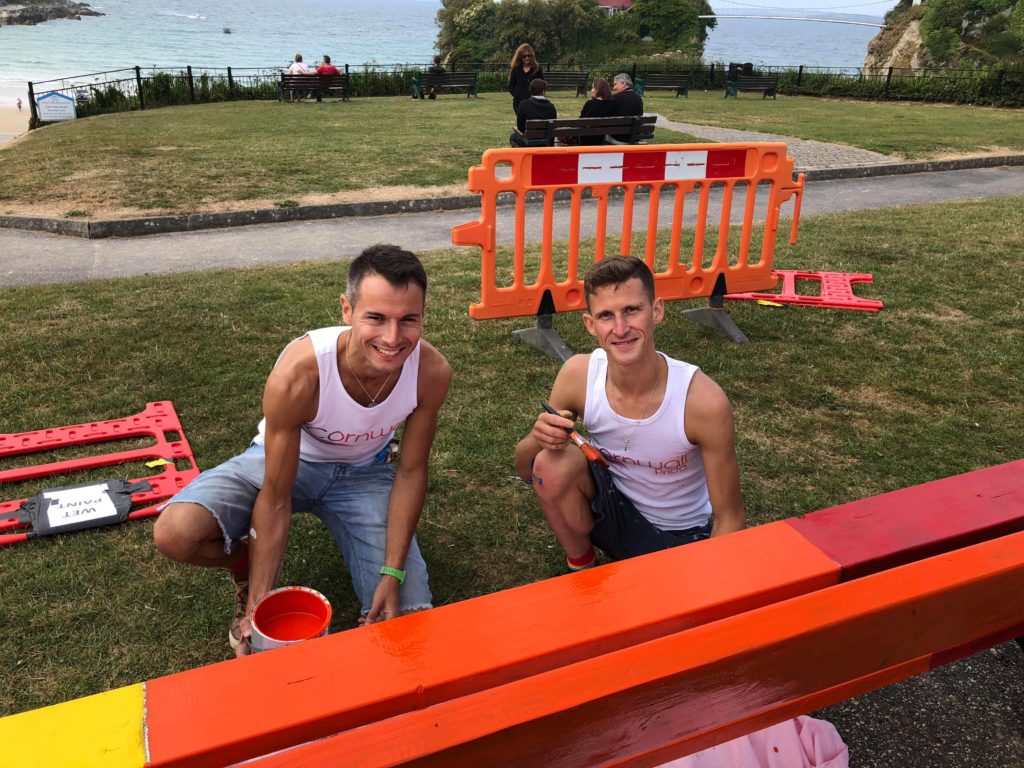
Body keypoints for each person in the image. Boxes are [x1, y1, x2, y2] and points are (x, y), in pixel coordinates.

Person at [154, 245, 453, 656]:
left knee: (410, 614)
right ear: (347, 309)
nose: (392, 337)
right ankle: (242, 562)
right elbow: (275, 495)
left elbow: (410, 472)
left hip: (364, 474)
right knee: (175, 533)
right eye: (376, 317)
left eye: (408, 320)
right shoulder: (300, 372)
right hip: (286, 461)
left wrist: (392, 572)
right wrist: (259, 603)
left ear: (423, 315)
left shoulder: (431, 372)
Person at [514, 257, 745, 572]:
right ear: (590, 325)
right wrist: (537, 438)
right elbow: (527, 470)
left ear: (657, 311)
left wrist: (711, 588)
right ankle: (582, 569)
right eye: (606, 315)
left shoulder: (702, 401)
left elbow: (730, 517)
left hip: (681, 536)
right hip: (611, 513)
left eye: (632, 310)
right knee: (550, 462)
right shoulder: (578, 374)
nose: (620, 329)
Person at [510, 78, 556, 147]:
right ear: (543, 91)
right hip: (546, 142)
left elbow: (520, 127)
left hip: (529, 142)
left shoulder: (524, 104)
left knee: (513, 136)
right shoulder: (551, 107)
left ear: (530, 90)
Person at [507, 44, 544, 114]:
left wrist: (539, 97)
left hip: (534, 103)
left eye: (528, 55)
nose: (527, 58)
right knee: (522, 123)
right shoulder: (515, 69)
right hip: (519, 103)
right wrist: (517, 95)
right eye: (524, 56)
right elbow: (510, 86)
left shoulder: (537, 69)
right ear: (520, 57)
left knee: (532, 123)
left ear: (531, 56)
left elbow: (542, 85)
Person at [578, 78, 615, 146]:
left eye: (593, 88)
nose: (591, 90)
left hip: (587, 139)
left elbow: (581, 121)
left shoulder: (590, 103)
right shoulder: (612, 103)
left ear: (598, 90)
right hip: (602, 138)